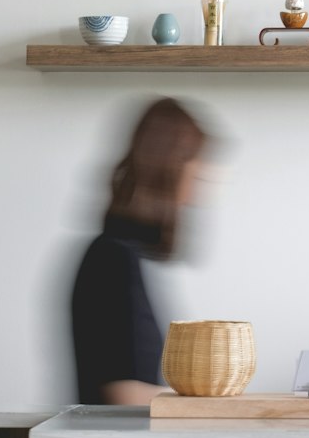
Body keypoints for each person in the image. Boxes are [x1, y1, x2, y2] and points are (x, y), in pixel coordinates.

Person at [71, 97, 209, 405]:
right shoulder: (113, 261)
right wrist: (217, 403)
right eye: (197, 176)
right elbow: (126, 396)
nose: (198, 193)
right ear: (171, 168)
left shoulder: (119, 256)